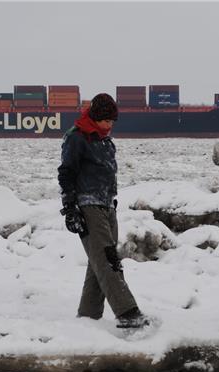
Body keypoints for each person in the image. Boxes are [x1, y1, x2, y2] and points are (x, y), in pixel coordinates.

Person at [57, 93, 149, 328]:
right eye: (106, 121)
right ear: (96, 117)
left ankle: (88, 316)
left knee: (98, 260)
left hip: (108, 206)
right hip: (88, 206)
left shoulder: (106, 141)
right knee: (108, 260)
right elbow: (66, 172)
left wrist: (111, 204)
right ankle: (128, 313)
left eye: (112, 122)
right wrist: (70, 209)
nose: (110, 126)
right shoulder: (77, 138)